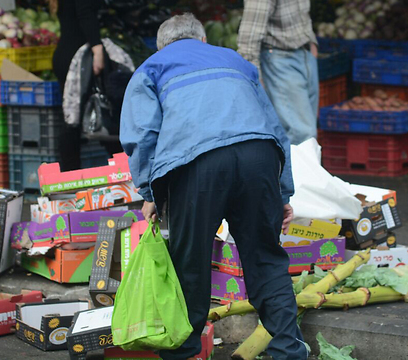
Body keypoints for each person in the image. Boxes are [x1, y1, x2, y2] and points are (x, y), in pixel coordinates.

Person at [120, 13, 308, 360]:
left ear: (162, 45)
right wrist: (282, 192)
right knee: (266, 260)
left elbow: (142, 136)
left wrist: (149, 193)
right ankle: (288, 351)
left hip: (196, 164)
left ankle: (185, 354)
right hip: (258, 156)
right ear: (202, 40)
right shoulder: (235, 61)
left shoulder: (151, 67)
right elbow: (275, 127)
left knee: (188, 264)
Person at [238, 0, 319, 145]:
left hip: (304, 54)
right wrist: (255, 77)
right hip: (279, 58)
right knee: (301, 135)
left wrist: (311, 42)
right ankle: (295, 168)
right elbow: (249, 37)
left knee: (308, 134)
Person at [50, 0, 105, 171]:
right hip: (79, 59)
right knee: (101, 112)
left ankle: (70, 175)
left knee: (71, 118)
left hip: (67, 54)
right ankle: (71, 175)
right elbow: (85, 14)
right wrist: (98, 50)